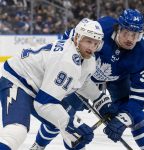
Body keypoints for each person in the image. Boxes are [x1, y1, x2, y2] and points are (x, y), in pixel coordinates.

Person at [30, 8, 144, 150]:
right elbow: (69, 41)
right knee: (63, 114)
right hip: (84, 77)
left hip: (118, 81)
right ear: (118, 28)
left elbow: (140, 96)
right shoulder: (102, 28)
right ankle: (38, 146)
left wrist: (124, 118)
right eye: (126, 33)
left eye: (135, 35)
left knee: (136, 117)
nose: (130, 39)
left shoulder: (143, 54)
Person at [0, 18, 104, 150]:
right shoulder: (66, 59)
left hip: (39, 86)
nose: (92, 47)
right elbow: (44, 103)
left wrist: (100, 99)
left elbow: (81, 83)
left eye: (96, 43)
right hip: (17, 81)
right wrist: (72, 124)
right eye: (88, 41)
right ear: (77, 38)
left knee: (73, 134)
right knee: (16, 131)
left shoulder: (87, 61)